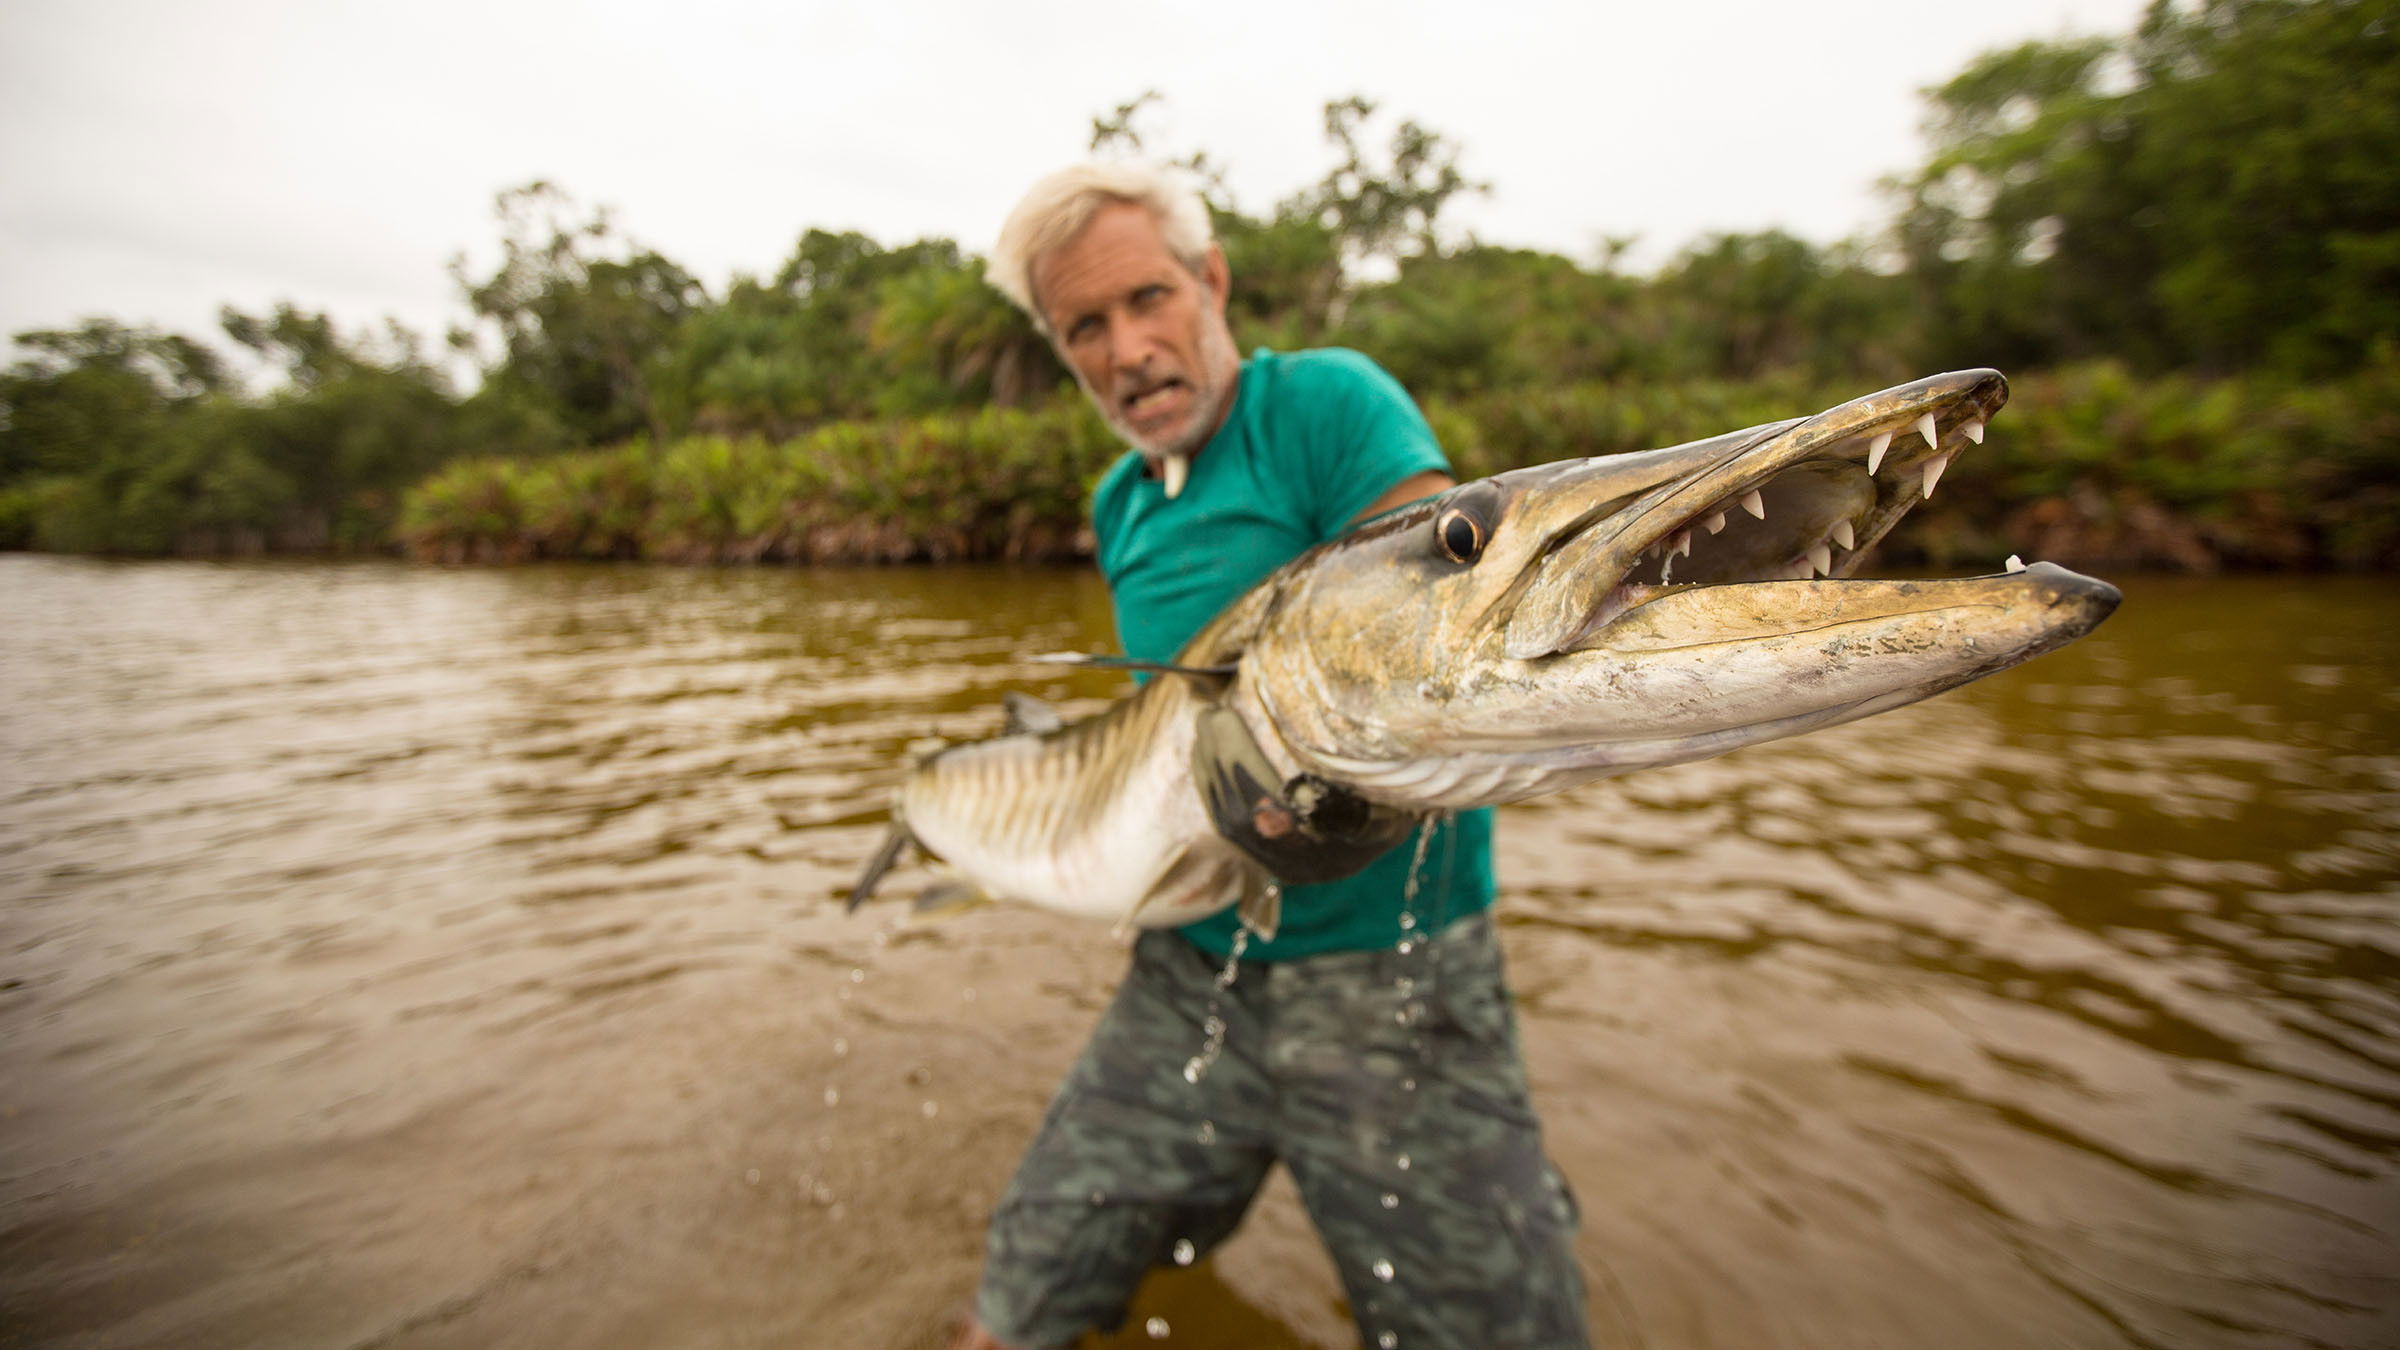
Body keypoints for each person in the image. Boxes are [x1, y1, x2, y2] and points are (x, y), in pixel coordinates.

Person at [953, 161, 1587, 1350]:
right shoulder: (1118, 503)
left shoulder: (1330, 404)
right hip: (1189, 970)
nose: (1128, 349)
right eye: (1083, 327)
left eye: (1148, 298)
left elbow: (1448, 616)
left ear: (1211, 279)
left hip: (1398, 983)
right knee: (1012, 1309)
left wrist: (1344, 803)